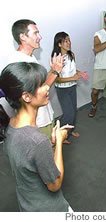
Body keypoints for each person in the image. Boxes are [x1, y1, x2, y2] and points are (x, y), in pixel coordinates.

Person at [0, 62, 73, 211]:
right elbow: (55, 184)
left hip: (28, 204)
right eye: (40, 86)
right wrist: (59, 141)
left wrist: (50, 144)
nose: (47, 87)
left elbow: (28, 159)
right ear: (26, 96)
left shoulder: (12, 124)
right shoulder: (37, 141)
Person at [2, 19, 64, 141]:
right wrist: (56, 72)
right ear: (23, 37)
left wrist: (52, 70)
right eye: (36, 33)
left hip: (45, 116)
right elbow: (36, 91)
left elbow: (37, 82)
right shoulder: (17, 61)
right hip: (38, 122)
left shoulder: (30, 57)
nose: (40, 37)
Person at [51, 32, 88, 143]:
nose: (69, 42)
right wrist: (72, 78)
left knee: (73, 110)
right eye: (65, 41)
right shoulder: (56, 59)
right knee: (68, 113)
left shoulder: (71, 55)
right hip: (62, 89)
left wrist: (79, 73)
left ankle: (70, 132)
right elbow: (55, 79)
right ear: (59, 44)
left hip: (72, 87)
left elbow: (72, 70)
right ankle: (60, 135)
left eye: (69, 40)